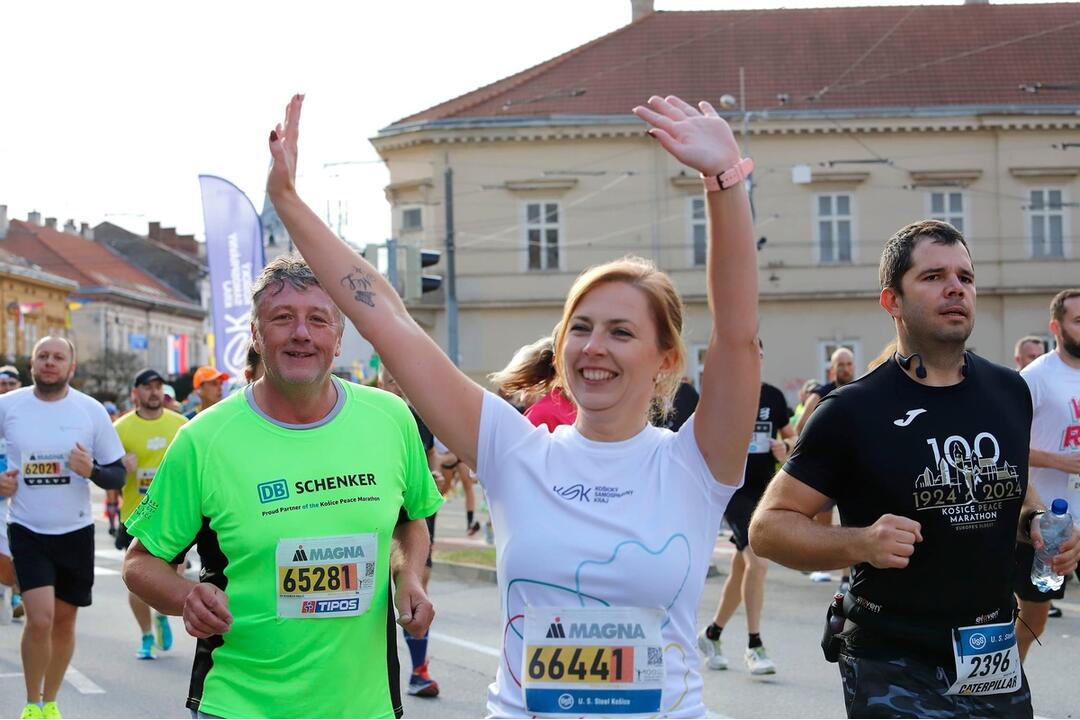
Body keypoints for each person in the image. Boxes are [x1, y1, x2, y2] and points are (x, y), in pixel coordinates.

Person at [267, 92, 759, 718]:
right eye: (580, 328)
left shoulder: (696, 463)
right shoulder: (514, 450)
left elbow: (738, 336)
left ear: (666, 359)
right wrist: (289, 201)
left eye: (621, 332)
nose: (593, 348)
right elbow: (388, 319)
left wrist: (724, 183)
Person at [750, 220, 1080, 718]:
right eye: (933, 277)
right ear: (892, 301)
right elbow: (768, 528)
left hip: (990, 650)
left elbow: (1013, 488)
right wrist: (859, 543)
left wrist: (1034, 523)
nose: (955, 288)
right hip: (892, 655)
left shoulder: (1010, 392)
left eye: (965, 278)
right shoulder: (851, 410)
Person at [122, 255, 442, 718]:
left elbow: (411, 520)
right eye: (282, 318)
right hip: (238, 703)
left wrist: (408, 574)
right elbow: (140, 561)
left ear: (338, 337)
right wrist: (185, 597)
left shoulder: (390, 420)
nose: (301, 333)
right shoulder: (203, 439)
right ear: (255, 333)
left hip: (363, 705)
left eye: (318, 319)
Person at [0, 337, 126, 720]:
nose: (50, 362)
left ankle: (50, 700)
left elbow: (117, 472)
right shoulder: (8, 407)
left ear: (71, 367)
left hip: (75, 531)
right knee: (40, 618)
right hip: (26, 527)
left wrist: (92, 471)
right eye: (43, 356)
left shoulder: (89, 411)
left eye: (58, 357)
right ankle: (30, 703)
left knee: (65, 621)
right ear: (32, 365)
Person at [698, 339, 794, 676]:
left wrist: (784, 447)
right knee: (758, 560)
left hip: (763, 489)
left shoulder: (773, 397)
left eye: (758, 356)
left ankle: (712, 634)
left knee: (743, 568)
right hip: (732, 491)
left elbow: (792, 438)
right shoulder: (722, 398)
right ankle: (754, 645)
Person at [1013, 289, 1080, 659]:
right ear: (1056, 327)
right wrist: (1057, 460)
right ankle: (1007, 693)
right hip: (1046, 522)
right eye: (1078, 321)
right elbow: (1005, 447)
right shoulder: (1035, 377)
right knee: (1033, 621)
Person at [112, 368, 187, 660]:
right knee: (138, 580)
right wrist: (121, 469)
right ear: (136, 393)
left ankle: (161, 614)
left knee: (173, 576)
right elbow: (108, 474)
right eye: (147, 387)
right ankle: (145, 634)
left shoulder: (181, 425)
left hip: (175, 516)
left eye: (158, 386)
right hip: (136, 515)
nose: (154, 392)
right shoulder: (121, 428)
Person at [377, 364, 442, 698]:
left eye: (401, 380)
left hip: (414, 511)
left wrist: (433, 475)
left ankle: (418, 670)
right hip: (375, 511)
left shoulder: (416, 418)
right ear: (380, 381)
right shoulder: (372, 416)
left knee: (417, 581)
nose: (398, 386)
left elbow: (430, 459)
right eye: (391, 380)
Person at [0, 364, 23, 624]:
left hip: (24, 496)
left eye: (11, 384)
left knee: (17, 548)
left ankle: (18, 593)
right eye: (2, 384)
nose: (6, 388)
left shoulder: (34, 415)